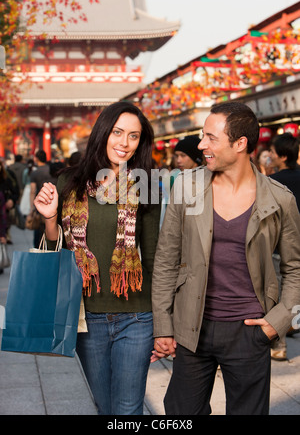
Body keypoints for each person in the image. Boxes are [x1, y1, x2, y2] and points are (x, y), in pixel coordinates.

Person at [151, 101, 300, 415]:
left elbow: (294, 266)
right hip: (193, 326)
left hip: (250, 329)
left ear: (240, 143)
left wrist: (279, 321)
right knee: (180, 412)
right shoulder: (187, 188)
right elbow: (166, 259)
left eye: (211, 137)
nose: (202, 144)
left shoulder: (279, 198)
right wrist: (163, 327)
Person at [33, 101, 161, 415]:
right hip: (86, 318)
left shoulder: (145, 185)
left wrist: (164, 325)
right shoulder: (69, 183)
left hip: (136, 316)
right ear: (103, 132)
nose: (125, 143)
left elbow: (155, 259)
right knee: (105, 406)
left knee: (129, 407)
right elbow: (55, 256)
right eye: (118, 132)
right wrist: (50, 219)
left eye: (134, 136)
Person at [268, 132, 300, 360]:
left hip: (282, 247)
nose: (269, 155)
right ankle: (293, 325)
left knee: (280, 296)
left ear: (282, 155)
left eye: (271, 152)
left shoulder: (275, 181)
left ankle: (279, 345)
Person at [29, 150, 56, 248]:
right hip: (53, 201)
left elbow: (32, 190)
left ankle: (38, 250)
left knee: (39, 230)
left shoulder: (35, 173)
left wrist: (31, 208)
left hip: (40, 203)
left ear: (36, 158)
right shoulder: (51, 169)